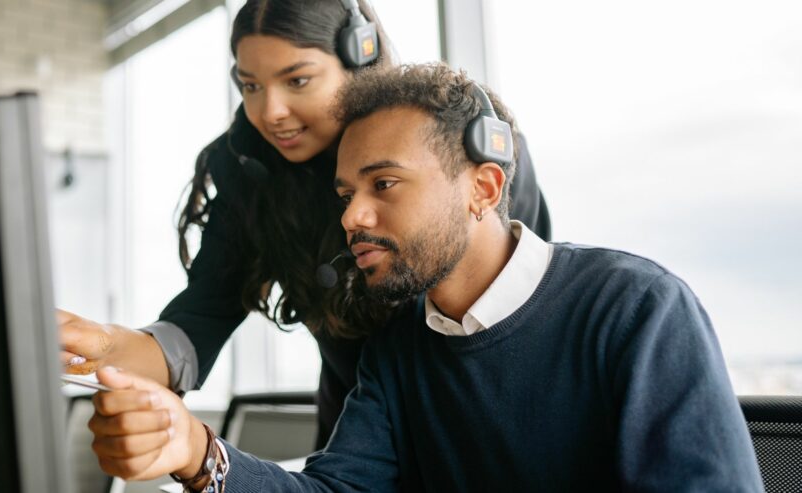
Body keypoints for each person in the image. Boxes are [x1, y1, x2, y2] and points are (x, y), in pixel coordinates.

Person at [84, 63, 763, 491]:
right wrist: (197, 450)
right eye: (347, 191)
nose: (352, 214)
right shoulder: (398, 346)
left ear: (484, 186)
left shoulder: (638, 311)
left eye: (384, 183)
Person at [59, 0, 552, 448]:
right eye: (250, 86)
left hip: (474, 425)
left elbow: (525, 315)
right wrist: (105, 347)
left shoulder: (468, 153)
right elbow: (198, 322)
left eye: (297, 81)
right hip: (353, 441)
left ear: (359, 60)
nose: (270, 113)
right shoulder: (250, 173)